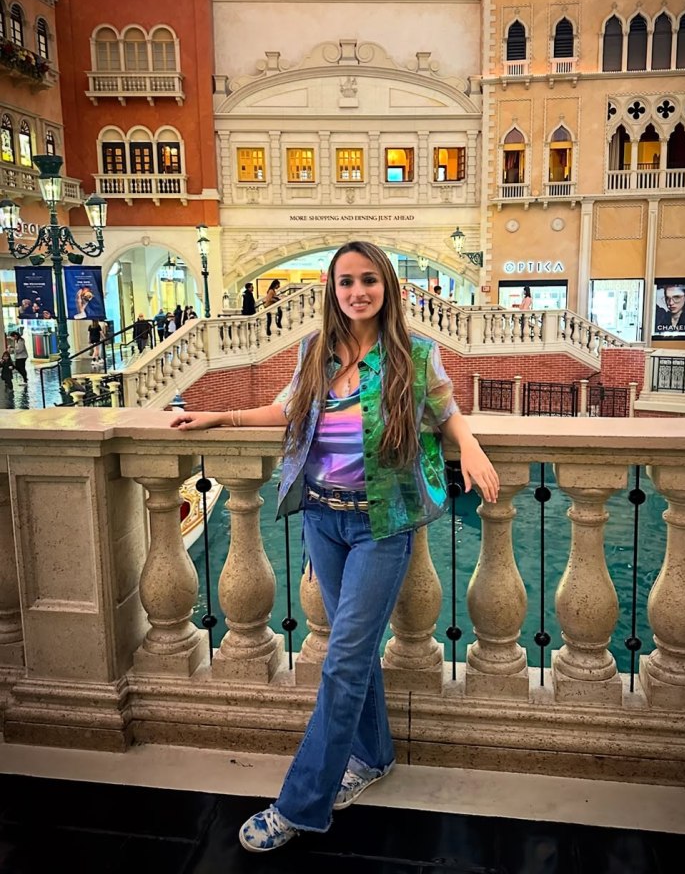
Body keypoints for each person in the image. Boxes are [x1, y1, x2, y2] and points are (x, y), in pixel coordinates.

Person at [170, 240, 499, 854]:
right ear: (333, 290)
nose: (357, 292)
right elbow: (291, 408)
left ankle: (300, 803)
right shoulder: (315, 351)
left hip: (384, 526)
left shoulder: (414, 355)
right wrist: (222, 419)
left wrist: (471, 446)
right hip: (323, 520)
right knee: (353, 653)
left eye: (368, 280)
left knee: (343, 660)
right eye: (346, 281)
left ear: (387, 289)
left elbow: (447, 413)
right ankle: (373, 756)